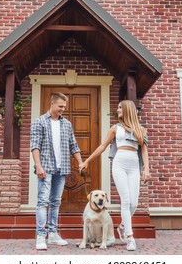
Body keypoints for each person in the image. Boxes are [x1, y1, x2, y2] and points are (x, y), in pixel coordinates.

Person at [79, 100, 149, 251]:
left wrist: (146, 169)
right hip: (119, 164)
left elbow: (143, 150)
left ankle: (124, 225)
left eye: (119, 108)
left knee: (134, 203)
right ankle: (130, 237)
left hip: (134, 166)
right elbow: (102, 146)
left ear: (127, 109)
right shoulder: (115, 129)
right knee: (126, 200)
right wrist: (88, 161)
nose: (117, 110)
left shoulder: (141, 129)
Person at [30, 92, 84, 250]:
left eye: (64, 107)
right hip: (45, 168)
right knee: (42, 201)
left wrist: (80, 162)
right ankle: (41, 235)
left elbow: (73, 145)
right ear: (52, 103)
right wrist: (38, 165)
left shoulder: (66, 123)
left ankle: (52, 234)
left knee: (55, 202)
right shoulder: (39, 122)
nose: (63, 109)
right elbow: (35, 145)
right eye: (60, 106)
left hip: (62, 169)